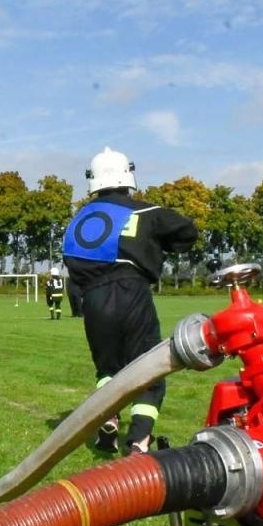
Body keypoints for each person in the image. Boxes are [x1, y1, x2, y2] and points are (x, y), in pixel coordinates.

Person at [62, 147, 198, 455]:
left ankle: (108, 416)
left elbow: (72, 267)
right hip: (133, 291)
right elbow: (186, 231)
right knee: (148, 369)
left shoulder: (77, 223)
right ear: (127, 174)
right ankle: (139, 440)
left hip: (94, 298)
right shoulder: (142, 211)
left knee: (107, 370)